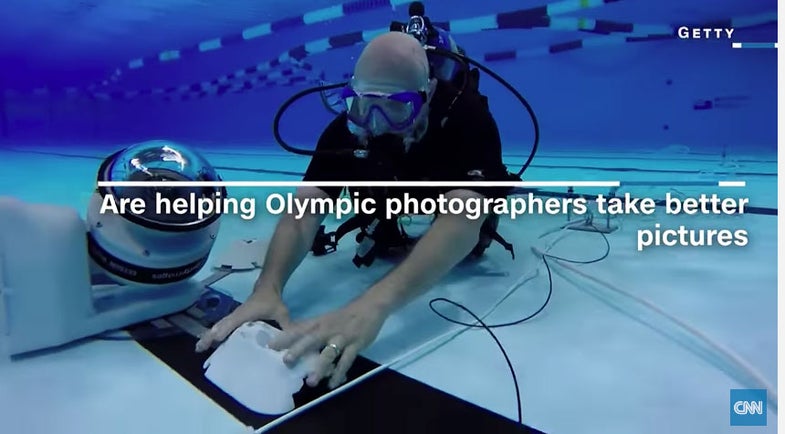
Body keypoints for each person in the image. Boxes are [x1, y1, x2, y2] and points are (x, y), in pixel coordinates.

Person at [195, 31, 516, 390]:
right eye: (363, 105)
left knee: (473, 244)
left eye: (396, 107)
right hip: (395, 189)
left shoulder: (466, 118)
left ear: (426, 95)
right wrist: (266, 288)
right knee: (381, 225)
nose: (375, 123)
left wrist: (373, 305)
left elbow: (464, 217)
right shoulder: (349, 128)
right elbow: (305, 209)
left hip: (450, 183)